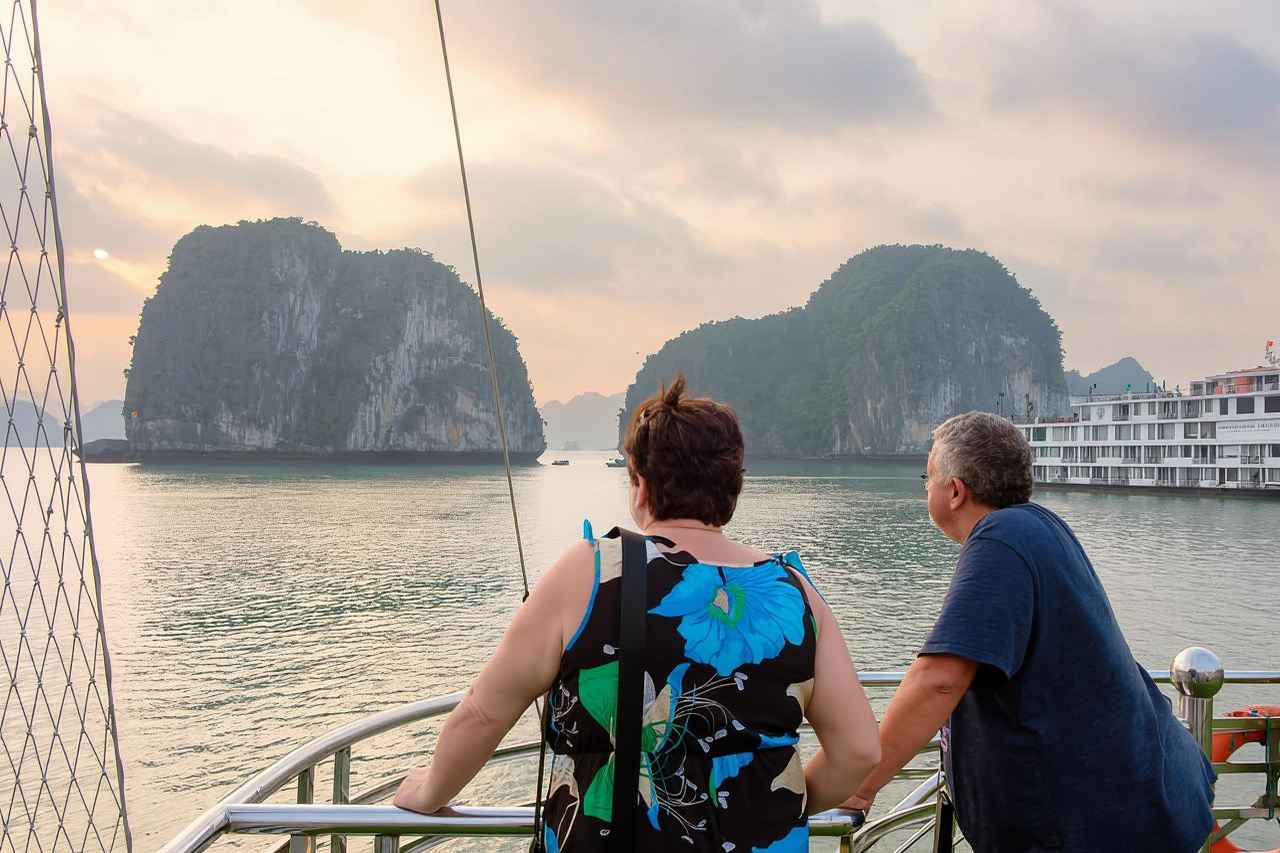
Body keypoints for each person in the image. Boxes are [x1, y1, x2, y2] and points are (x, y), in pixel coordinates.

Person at [395, 374, 881, 852]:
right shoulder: (795, 593)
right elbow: (859, 750)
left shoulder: (589, 573)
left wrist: (431, 789)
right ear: (732, 489)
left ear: (642, 487)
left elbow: (484, 710)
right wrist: (775, 804)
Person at [842, 411, 1215, 852]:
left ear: (956, 491)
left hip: (1103, 829)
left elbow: (939, 680)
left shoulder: (999, 539)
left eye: (928, 478)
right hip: (1147, 798)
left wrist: (857, 787)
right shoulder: (1040, 525)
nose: (925, 487)